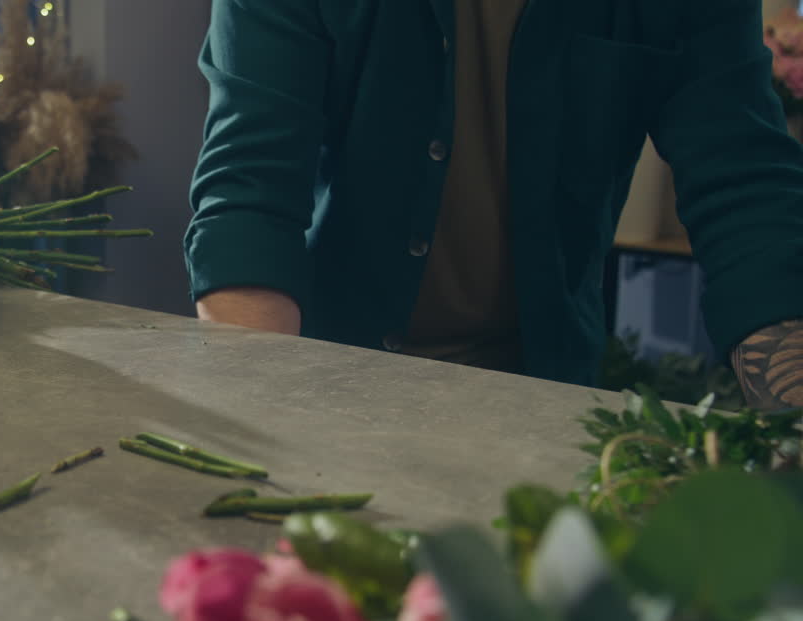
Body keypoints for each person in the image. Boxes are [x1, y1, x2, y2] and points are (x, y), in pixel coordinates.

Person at [183, 0, 803, 409]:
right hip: (322, 375)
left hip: (544, 394)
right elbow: (251, 194)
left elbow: (746, 189)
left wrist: (790, 420)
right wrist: (261, 420)